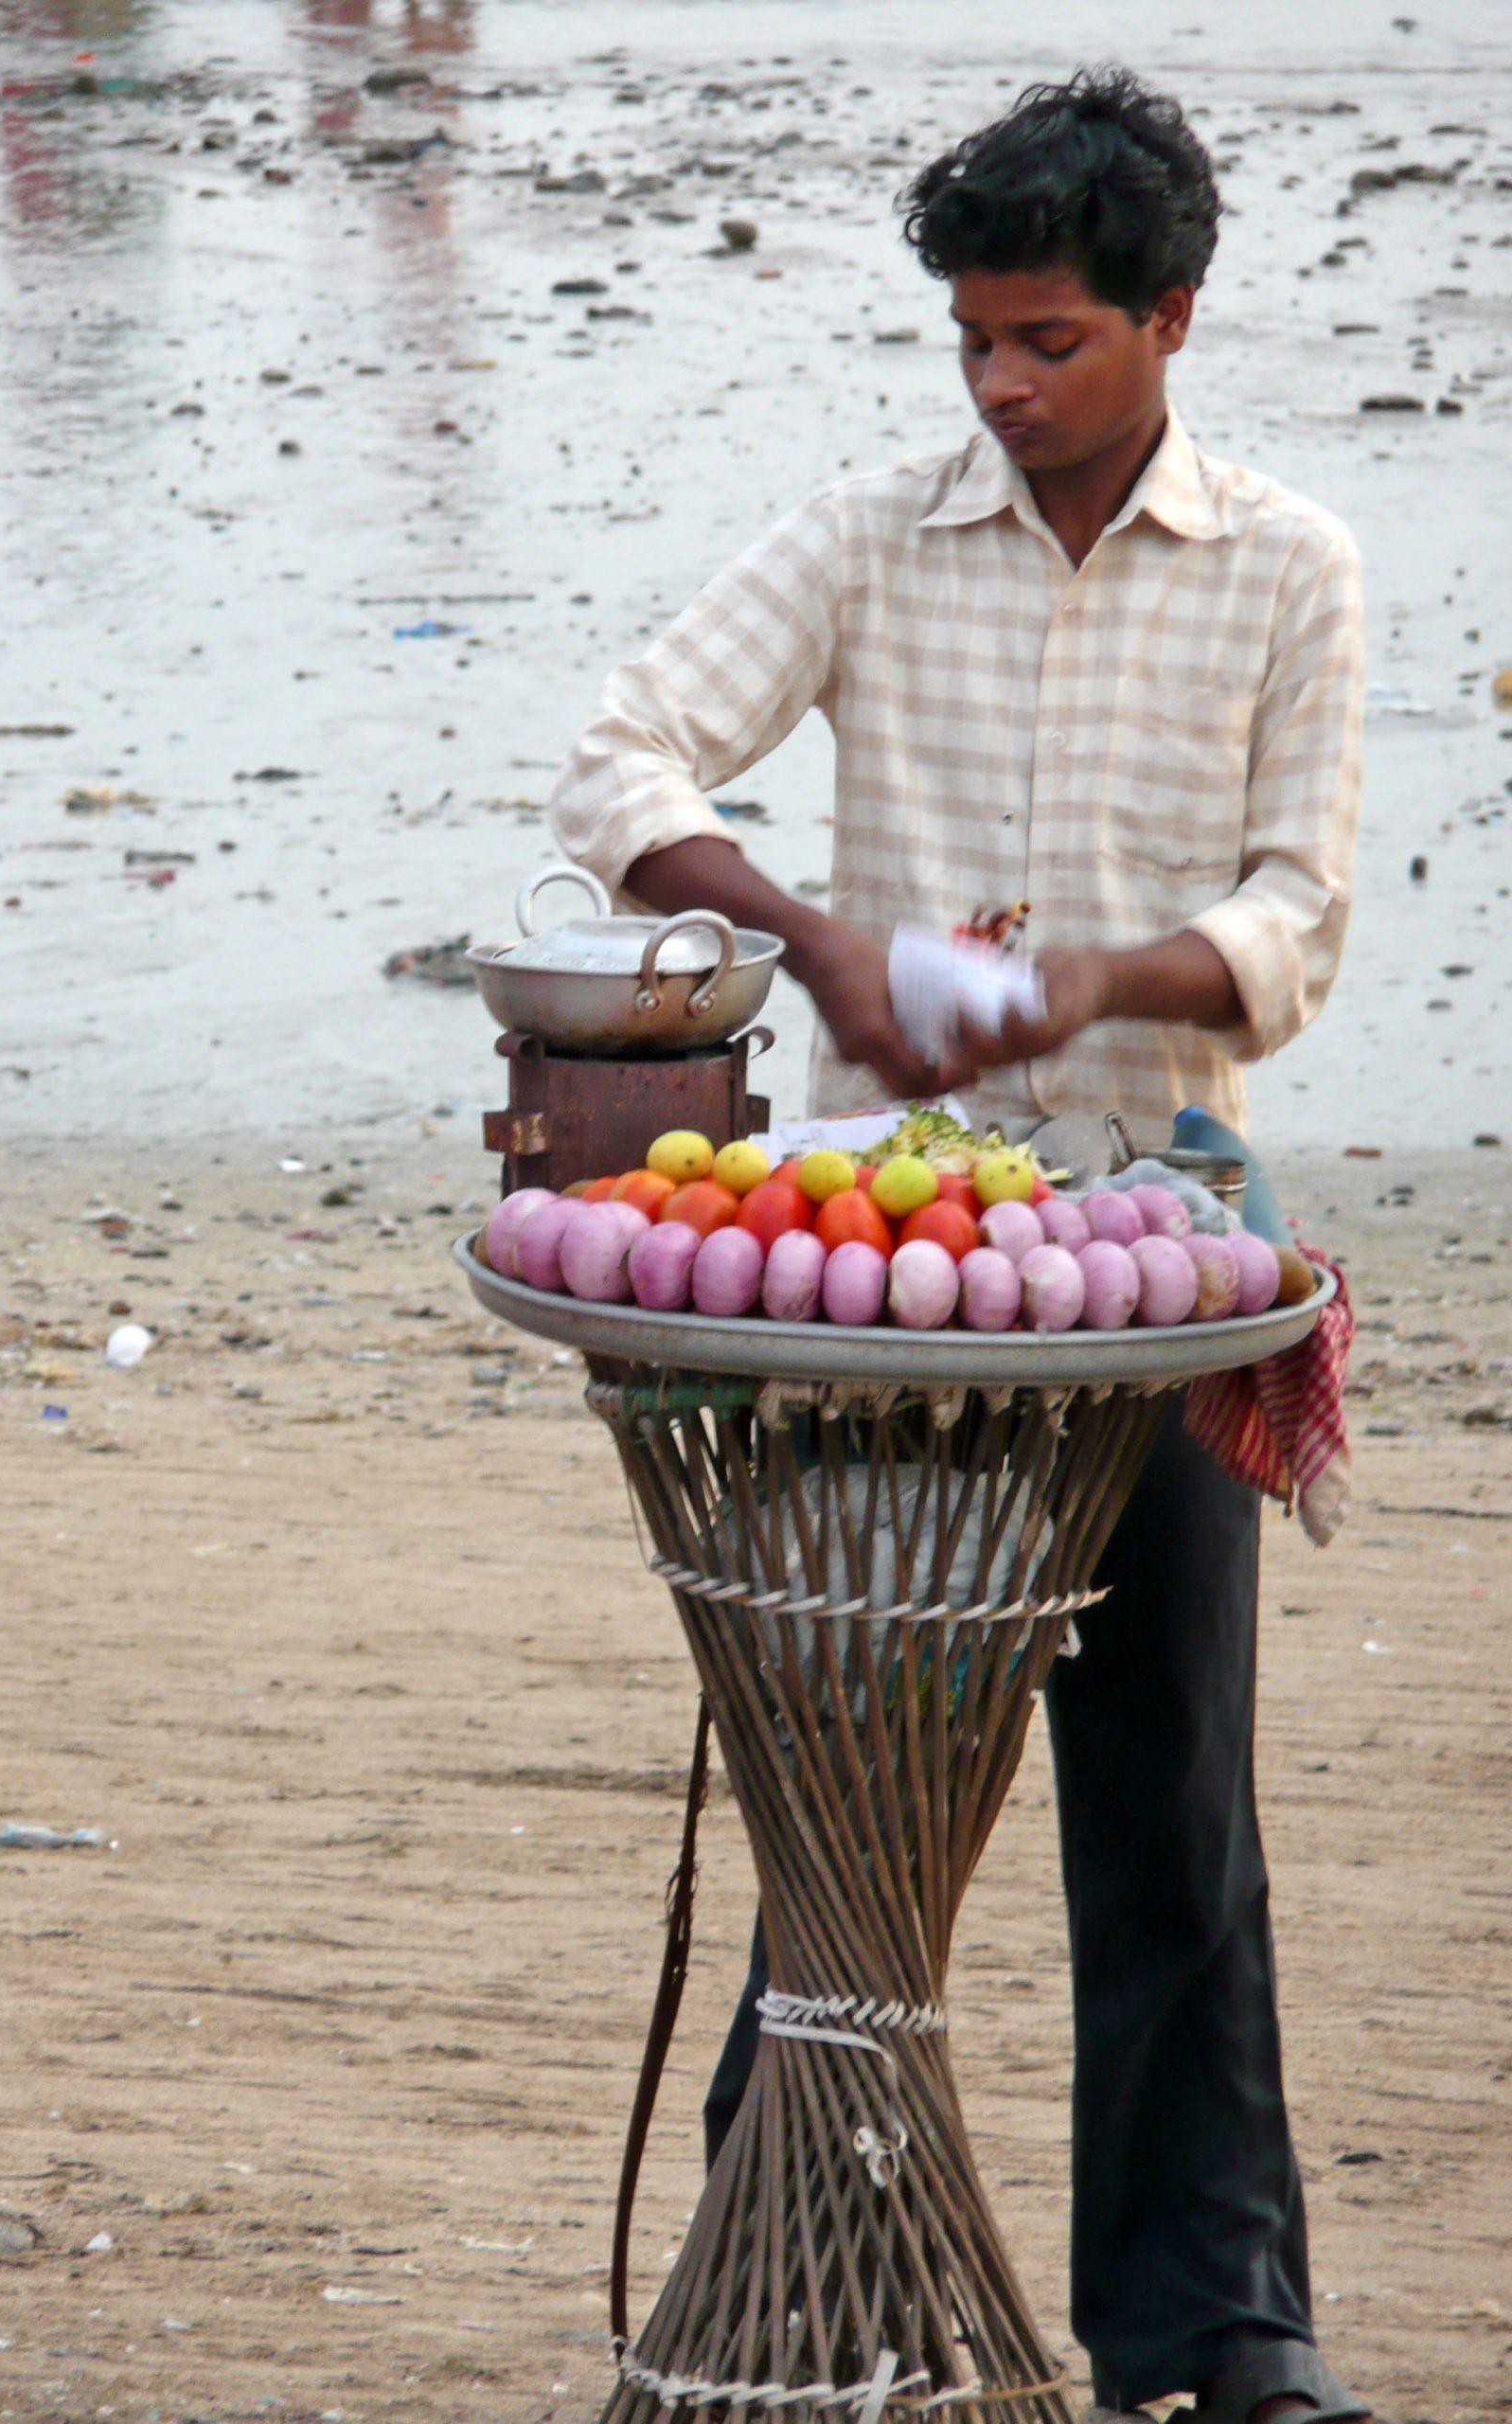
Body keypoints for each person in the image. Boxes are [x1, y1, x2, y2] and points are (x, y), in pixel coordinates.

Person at [548, 66, 1367, 2424]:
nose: (1003, 386)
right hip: (876, 1254)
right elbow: (621, 756)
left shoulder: (1288, 566)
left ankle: (1219, 2334)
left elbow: (1296, 923)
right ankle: (781, 2267)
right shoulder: (875, 531)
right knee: (856, 1780)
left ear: (1170, 320)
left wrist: (1099, 982)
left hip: (1168, 1245)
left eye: (1049, 342)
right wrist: (815, 942)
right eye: (975, 342)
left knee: (1168, 1808)